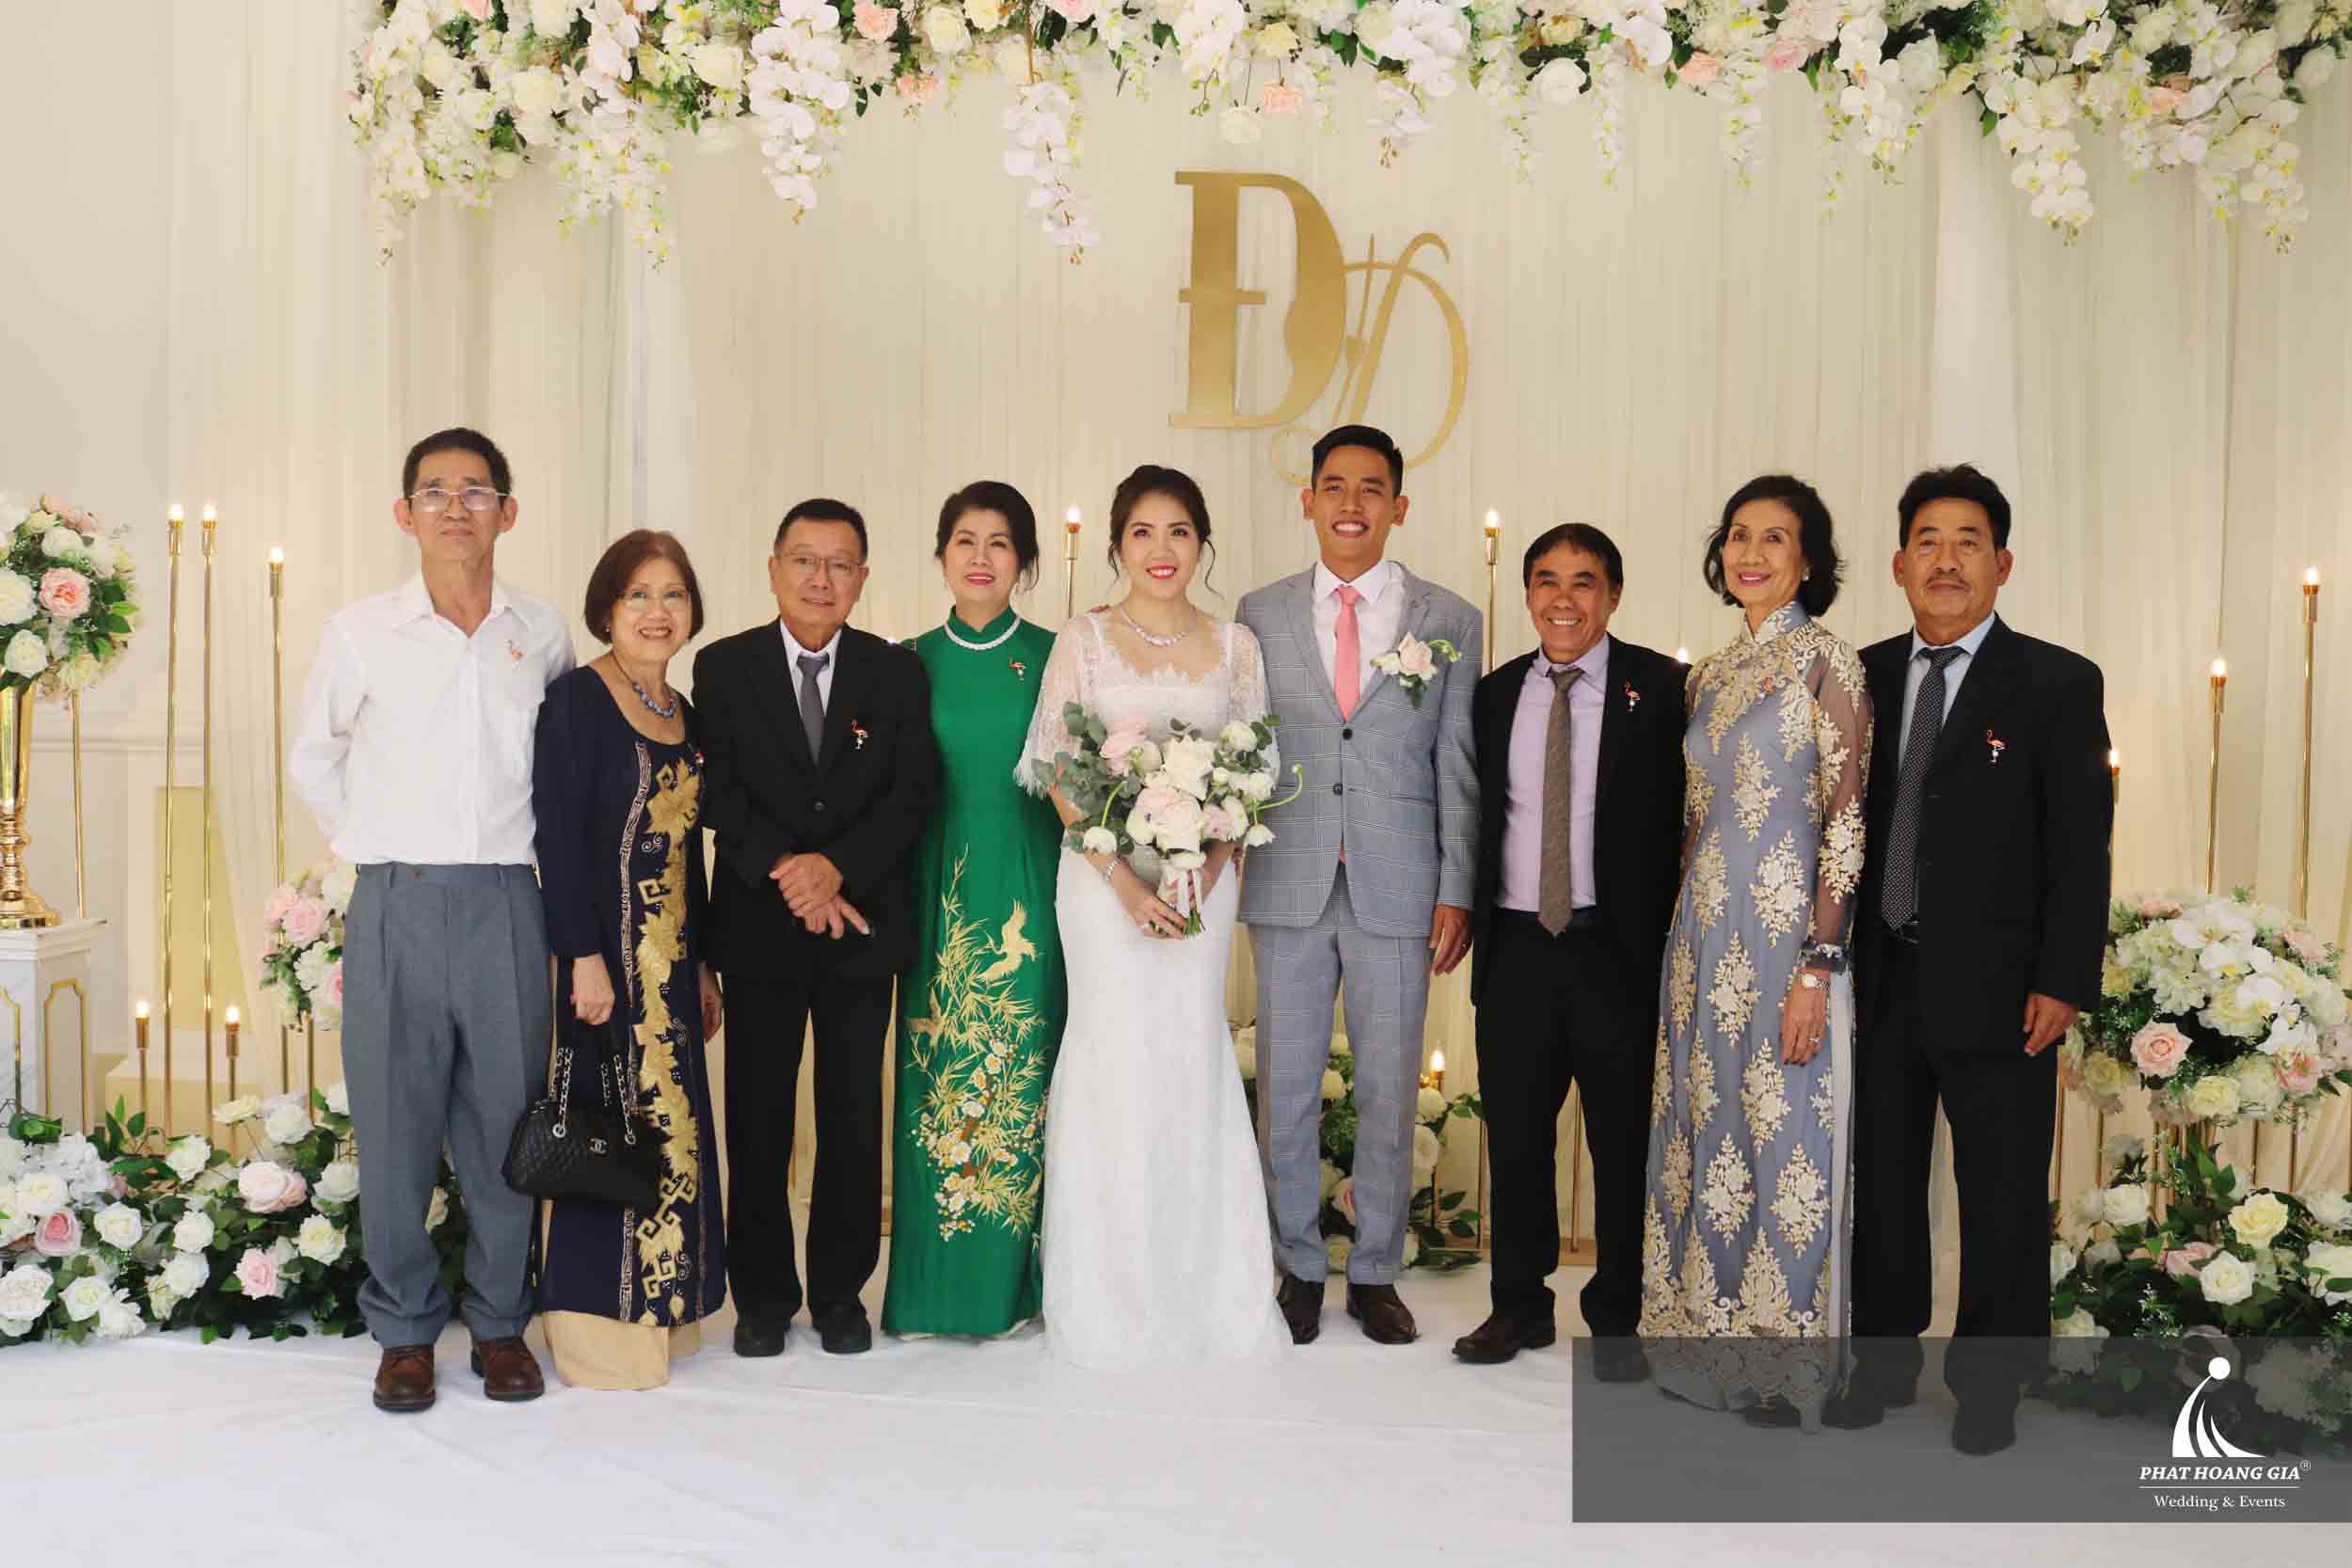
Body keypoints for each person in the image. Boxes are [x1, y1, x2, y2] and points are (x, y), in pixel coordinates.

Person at [1829, 465, 2110, 1456]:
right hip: (1876, 976)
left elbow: (2080, 847)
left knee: (2001, 1192)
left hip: (2004, 990)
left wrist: (2063, 977)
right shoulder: (1857, 675)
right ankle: (1882, 1362)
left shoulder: (2057, 682)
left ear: (2003, 562)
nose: (1945, 560)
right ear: (1899, 563)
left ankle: (1992, 1383)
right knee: (1881, 1183)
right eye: (1927, 541)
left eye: (1967, 541)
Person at [288, 426, 570, 1412]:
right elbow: (313, 756)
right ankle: (405, 1329)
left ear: (508, 511)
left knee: (505, 1125)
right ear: (405, 513)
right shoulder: (361, 631)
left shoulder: (542, 632)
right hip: (396, 900)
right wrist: (373, 843)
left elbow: (564, 768)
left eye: (477, 490)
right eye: (436, 491)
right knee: (395, 1125)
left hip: (507, 900)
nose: (457, 507)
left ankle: (499, 1322)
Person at [1021, 464, 1288, 1369]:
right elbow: (1057, 767)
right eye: (1143, 531)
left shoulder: (1236, 646)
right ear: (1117, 544)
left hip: (1200, 888)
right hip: (1103, 890)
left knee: (1187, 1056)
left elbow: (1254, 772)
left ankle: (1202, 1289)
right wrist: (1125, 882)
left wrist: (1205, 871)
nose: (1161, 549)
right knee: (1113, 1059)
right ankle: (1108, 1292)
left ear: (1202, 543)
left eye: (1179, 531)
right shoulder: (1085, 639)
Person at [1238, 424, 1480, 1347]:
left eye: (1371, 488)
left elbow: (1457, 763)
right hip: (1289, 875)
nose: (1351, 503)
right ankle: (1298, 1264)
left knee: (1387, 1086)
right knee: (1286, 1087)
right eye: (1333, 486)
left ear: (1398, 506)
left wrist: (1456, 885)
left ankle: (1376, 1269)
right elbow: (1244, 744)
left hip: (1400, 882)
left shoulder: (1448, 618)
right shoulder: (1258, 613)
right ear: (1307, 500)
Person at [1637, 475, 1871, 1429]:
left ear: (1807, 559)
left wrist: (1820, 962)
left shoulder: (1829, 662)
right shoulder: (1707, 674)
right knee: (1709, 1138)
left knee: (1784, 1139)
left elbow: (1845, 819)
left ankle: (1782, 1368)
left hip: (1785, 943)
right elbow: (1696, 822)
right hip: (1702, 938)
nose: (1752, 552)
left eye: (1775, 537)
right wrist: (1678, 938)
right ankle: (1707, 1346)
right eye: (1739, 534)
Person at [692, 499, 938, 1357]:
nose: (821, 579)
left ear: (862, 578)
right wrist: (791, 871)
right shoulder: (723, 666)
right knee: (757, 1118)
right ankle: (761, 1299)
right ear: (774, 568)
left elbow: (913, 792)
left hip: (860, 927)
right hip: (759, 929)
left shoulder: (896, 671)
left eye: (840, 564)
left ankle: (839, 1295)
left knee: (851, 1117)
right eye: (805, 560)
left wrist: (837, 869)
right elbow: (716, 791)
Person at [1459, 524, 1684, 1370]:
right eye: (1546, 580)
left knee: (1623, 1143)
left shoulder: (1661, 688)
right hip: (1516, 948)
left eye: (1583, 582)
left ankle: (1619, 1317)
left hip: (1615, 950)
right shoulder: (1493, 695)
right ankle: (1519, 1306)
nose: (1563, 599)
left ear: (1613, 595)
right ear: (1527, 594)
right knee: (1517, 1137)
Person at [531, 531, 726, 1389]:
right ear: (607, 609)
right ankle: (598, 1333)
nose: (657, 611)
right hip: (604, 963)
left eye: (673, 594)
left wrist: (705, 964)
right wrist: (580, 956)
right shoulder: (577, 700)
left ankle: (667, 1309)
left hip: (671, 969)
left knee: (671, 1128)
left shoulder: (685, 713)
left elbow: (691, 857)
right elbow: (557, 839)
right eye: (638, 594)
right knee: (603, 1129)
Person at [882, 483, 1067, 1338]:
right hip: (936, 895)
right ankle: (929, 1292)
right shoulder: (903, 661)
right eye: (965, 540)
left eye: (1000, 542)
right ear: (941, 555)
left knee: (1022, 1078)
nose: (982, 557)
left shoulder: (1058, 654)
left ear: (1023, 560)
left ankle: (1012, 1290)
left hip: (1030, 889)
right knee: (936, 1080)